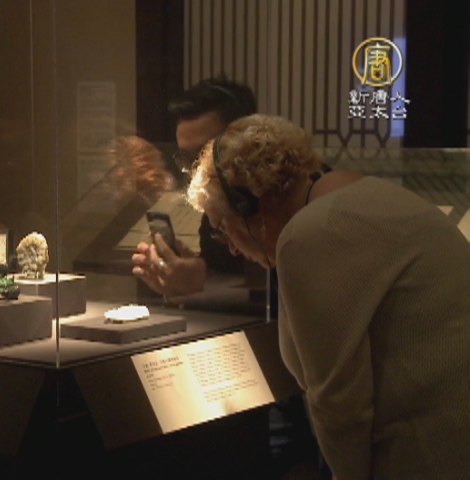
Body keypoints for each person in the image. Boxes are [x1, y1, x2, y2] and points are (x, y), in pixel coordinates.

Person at [185, 113, 470, 479]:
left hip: (427, 455)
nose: (233, 249)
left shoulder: (309, 235)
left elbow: (340, 405)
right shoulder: (369, 192)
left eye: (222, 229)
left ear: (249, 206)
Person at [132, 76, 257, 298]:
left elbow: (278, 284)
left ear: (243, 143)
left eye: (204, 155)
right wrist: (186, 271)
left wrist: (202, 281)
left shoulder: (271, 202)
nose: (195, 172)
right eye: (187, 159)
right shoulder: (212, 209)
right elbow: (223, 271)